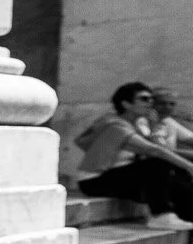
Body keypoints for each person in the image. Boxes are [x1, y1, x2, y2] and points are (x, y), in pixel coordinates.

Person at [74, 81, 193, 230]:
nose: (150, 103)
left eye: (151, 99)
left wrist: (154, 126)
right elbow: (155, 151)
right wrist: (189, 165)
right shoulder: (115, 125)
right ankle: (161, 215)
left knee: (181, 185)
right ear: (126, 104)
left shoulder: (134, 124)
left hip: (119, 176)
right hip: (94, 182)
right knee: (158, 163)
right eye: (144, 99)